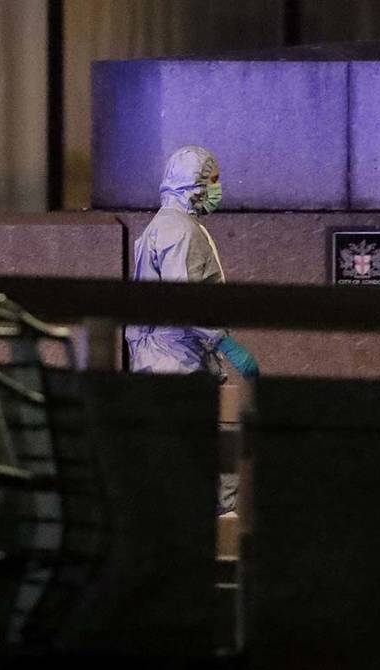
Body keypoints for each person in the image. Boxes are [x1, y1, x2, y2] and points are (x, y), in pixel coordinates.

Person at [126, 145, 257, 514]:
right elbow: (185, 299)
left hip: (172, 358)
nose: (218, 188)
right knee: (204, 452)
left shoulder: (163, 228)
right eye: (213, 180)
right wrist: (228, 345)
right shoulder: (179, 231)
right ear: (195, 184)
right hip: (179, 360)